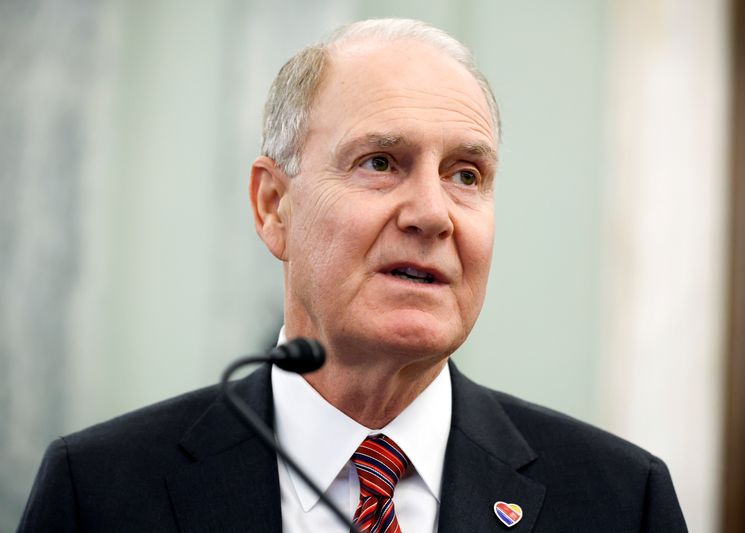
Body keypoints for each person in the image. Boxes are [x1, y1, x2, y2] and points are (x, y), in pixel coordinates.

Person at [18, 18, 687, 532]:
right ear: (273, 205)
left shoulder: (621, 500)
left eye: (465, 175)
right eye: (380, 161)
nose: (433, 214)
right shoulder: (100, 491)